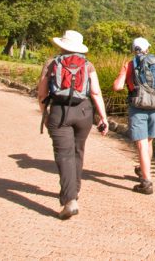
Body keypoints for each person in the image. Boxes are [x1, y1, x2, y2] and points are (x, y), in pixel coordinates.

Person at [36, 30, 109, 220]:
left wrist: (45, 114)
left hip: (60, 111)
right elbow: (95, 93)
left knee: (64, 155)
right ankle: (74, 190)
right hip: (84, 111)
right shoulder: (88, 65)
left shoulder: (52, 63)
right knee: (78, 151)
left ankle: (70, 200)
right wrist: (103, 117)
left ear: (62, 45)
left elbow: (42, 93)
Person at [112, 37, 155, 195]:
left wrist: (124, 74)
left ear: (133, 49)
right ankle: (143, 170)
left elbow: (117, 86)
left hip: (138, 107)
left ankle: (146, 181)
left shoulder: (130, 64)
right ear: (148, 48)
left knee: (141, 144)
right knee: (149, 141)